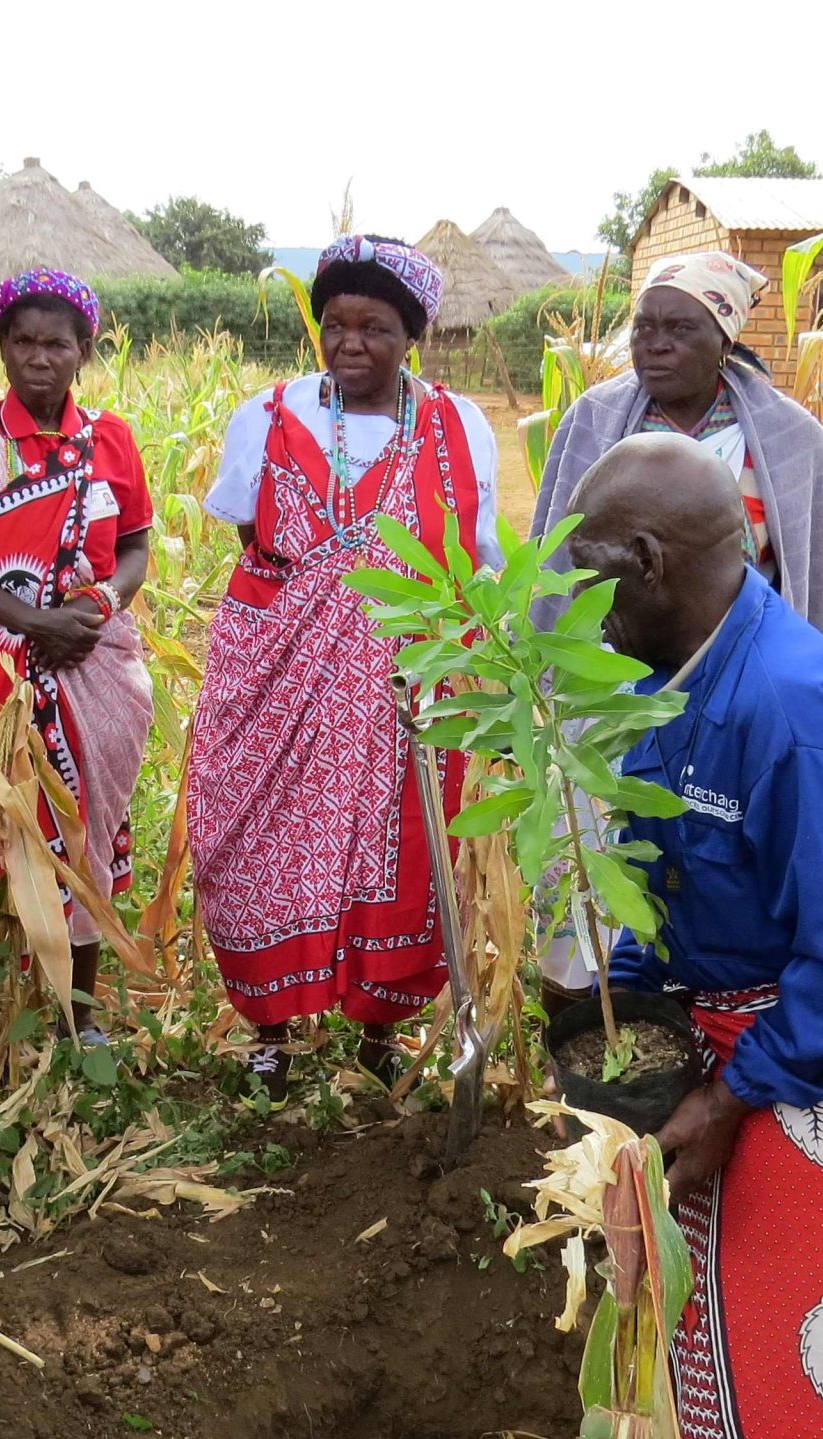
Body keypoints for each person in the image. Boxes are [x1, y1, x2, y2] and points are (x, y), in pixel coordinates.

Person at [573, 433, 823, 1439]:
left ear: (648, 559)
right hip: (738, 1040)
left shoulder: (792, 709)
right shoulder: (663, 677)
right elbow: (648, 881)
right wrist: (620, 1051)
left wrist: (732, 1092)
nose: (584, 612)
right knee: (713, 1322)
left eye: (592, 581)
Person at [186, 235, 501, 1099]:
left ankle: (379, 1031)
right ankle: (270, 1030)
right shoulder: (269, 415)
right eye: (335, 325)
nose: (351, 343)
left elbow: (479, 559)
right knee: (252, 844)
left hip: (403, 693)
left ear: (413, 338)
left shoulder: (456, 426)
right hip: (278, 682)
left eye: (375, 327)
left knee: (395, 860)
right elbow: (251, 540)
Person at [0, 268, 154, 1043]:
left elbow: (133, 547)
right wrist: (31, 623)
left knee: (82, 825)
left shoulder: (111, 440)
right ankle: (1, 997)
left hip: (92, 658)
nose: (38, 358)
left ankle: (76, 1012)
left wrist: (97, 606)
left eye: (57, 343)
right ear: (1, 346)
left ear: (85, 351)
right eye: (22, 341)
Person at [528, 251, 823, 657]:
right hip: (618, 667)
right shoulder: (593, 420)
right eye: (643, 328)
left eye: (680, 328)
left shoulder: (786, 437)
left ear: (724, 340)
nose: (657, 345)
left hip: (745, 660)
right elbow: (556, 549)